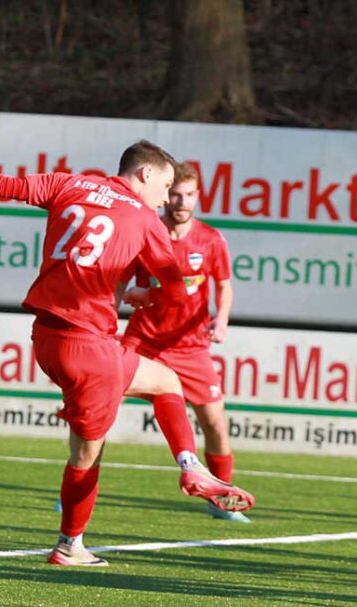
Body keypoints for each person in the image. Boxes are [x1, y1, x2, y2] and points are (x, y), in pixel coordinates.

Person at [0, 140, 255, 568]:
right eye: (165, 186)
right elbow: (177, 288)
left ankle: (82, 536)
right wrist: (152, 295)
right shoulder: (146, 220)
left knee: (117, 420)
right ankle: (175, 473)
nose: (166, 198)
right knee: (122, 423)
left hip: (47, 339)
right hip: (90, 347)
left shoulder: (69, 184)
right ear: (144, 174)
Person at [120, 162, 248, 522]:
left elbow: (224, 285)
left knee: (215, 425)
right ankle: (72, 494)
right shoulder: (146, 230)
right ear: (166, 193)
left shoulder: (211, 239)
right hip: (144, 340)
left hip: (191, 346)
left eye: (188, 195)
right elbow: (120, 278)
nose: (181, 201)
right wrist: (117, 305)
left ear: (197, 196)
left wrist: (222, 319)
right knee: (98, 410)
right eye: (175, 194)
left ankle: (221, 500)